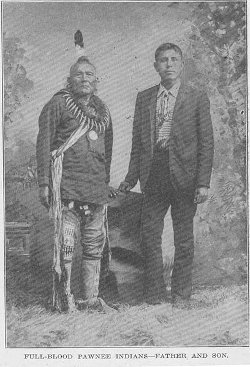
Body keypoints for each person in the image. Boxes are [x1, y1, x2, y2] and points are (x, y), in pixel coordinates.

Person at [119, 43, 214, 307]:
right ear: (155, 66)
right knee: (149, 236)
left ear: (182, 64)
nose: (169, 64)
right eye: (163, 60)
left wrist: (203, 182)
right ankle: (155, 294)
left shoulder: (196, 97)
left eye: (174, 59)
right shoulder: (145, 98)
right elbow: (138, 143)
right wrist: (130, 177)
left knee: (183, 239)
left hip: (185, 177)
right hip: (154, 175)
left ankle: (181, 296)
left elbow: (207, 143)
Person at [36, 56, 117, 312]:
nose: (84, 78)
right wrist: (44, 183)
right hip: (67, 187)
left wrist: (105, 183)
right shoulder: (58, 104)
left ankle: (91, 298)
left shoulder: (102, 111)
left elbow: (108, 150)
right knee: (67, 245)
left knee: (94, 245)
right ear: (69, 80)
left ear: (96, 81)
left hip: (94, 190)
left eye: (89, 75)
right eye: (79, 74)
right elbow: (44, 143)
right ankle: (65, 300)